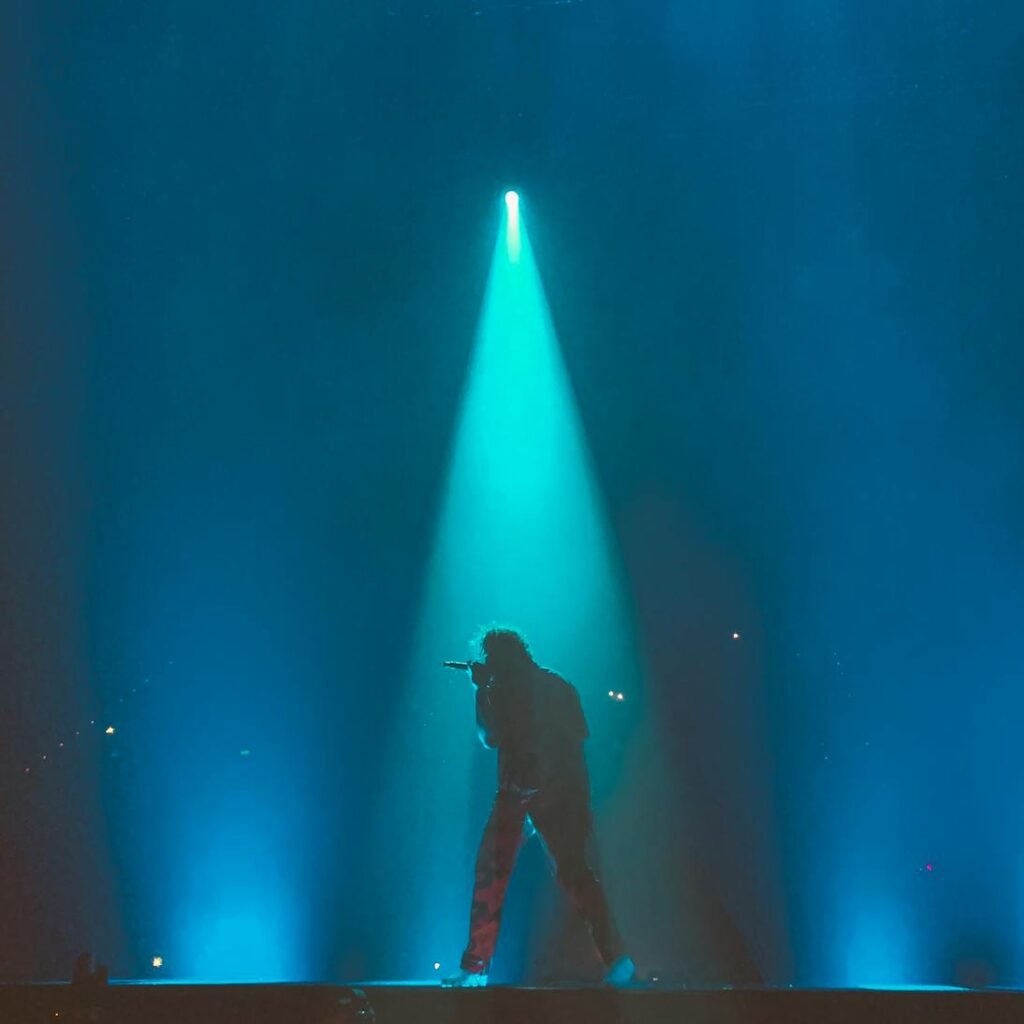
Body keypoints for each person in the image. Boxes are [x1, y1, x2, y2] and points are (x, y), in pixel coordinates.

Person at [442, 628, 635, 987]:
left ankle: (475, 967)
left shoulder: (502, 689)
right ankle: (618, 958)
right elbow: (579, 745)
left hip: (519, 790)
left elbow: (490, 736)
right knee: (577, 874)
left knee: (491, 876)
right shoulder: (559, 685)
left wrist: (482, 689)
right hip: (563, 791)